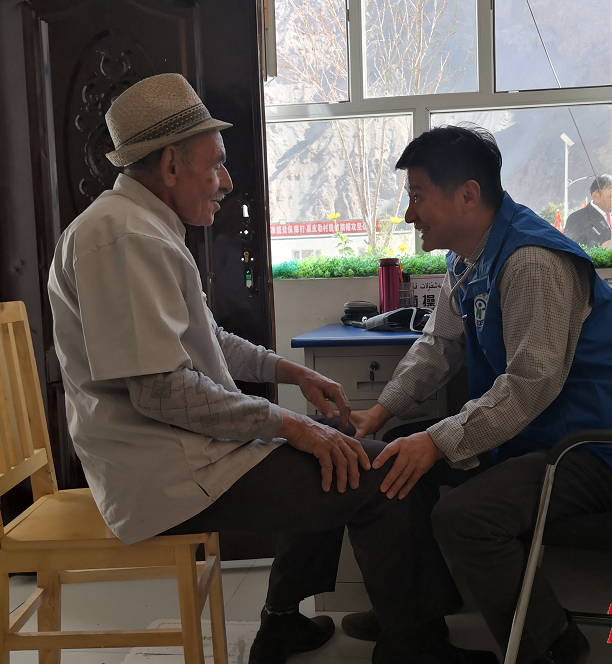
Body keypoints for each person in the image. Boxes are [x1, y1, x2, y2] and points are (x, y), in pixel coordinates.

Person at [47, 74, 495, 664]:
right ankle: (414, 648)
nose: (227, 181)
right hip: (167, 472)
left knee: (335, 442)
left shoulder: (140, 226)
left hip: (184, 453)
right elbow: (160, 392)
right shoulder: (124, 236)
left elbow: (207, 340)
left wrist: (290, 372)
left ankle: (282, 624)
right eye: (216, 164)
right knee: (381, 480)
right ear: (173, 164)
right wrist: (286, 424)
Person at [341, 126, 612, 664]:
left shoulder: (531, 261)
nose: (410, 214)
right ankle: (412, 619)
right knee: (390, 459)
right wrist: (380, 412)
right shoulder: (468, 258)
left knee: (463, 516)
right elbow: (439, 346)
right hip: (533, 436)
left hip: (590, 449)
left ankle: (552, 642)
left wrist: (438, 441)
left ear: (468, 194)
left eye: (417, 196)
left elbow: (531, 385)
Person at [563, 175, 612, 249]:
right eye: (610, 197)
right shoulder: (577, 218)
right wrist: (600, 248)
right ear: (595, 195)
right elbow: (571, 249)